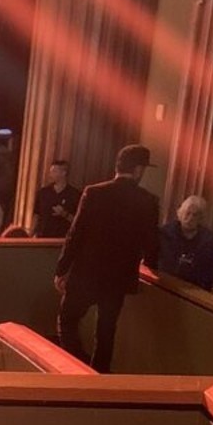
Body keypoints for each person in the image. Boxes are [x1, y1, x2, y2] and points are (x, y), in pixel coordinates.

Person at [54, 143, 160, 372]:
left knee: (67, 320)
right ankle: (99, 373)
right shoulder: (148, 201)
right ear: (138, 170)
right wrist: (150, 265)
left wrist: (62, 268)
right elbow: (152, 243)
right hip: (119, 278)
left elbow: (76, 233)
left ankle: (78, 365)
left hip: (86, 273)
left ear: (118, 166)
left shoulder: (94, 192)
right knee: (106, 330)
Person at [157, 196, 213, 289]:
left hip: (194, 289)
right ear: (180, 213)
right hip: (164, 284)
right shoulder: (165, 234)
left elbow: (212, 269)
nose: (190, 218)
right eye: (187, 213)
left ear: (201, 218)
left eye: (195, 215)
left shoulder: (209, 242)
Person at [31, 159, 81, 238]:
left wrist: (64, 214)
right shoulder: (43, 192)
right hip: (42, 237)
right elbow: (36, 215)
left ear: (63, 173)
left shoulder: (74, 194)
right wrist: (31, 234)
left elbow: (79, 221)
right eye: (50, 172)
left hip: (62, 238)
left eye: (54, 171)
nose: (50, 174)